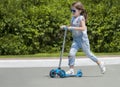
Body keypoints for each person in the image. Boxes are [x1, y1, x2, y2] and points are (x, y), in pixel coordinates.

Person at [60, 1, 106, 74]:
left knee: (88, 54)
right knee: (71, 54)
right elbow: (71, 26)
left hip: (83, 40)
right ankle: (71, 69)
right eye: (71, 10)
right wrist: (65, 27)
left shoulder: (81, 18)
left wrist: (71, 28)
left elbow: (83, 28)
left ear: (80, 11)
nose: (72, 12)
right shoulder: (72, 18)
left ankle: (100, 63)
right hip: (76, 40)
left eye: (74, 10)